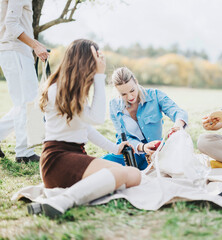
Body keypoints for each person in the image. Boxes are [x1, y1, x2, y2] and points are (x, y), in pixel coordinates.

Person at [27, 39, 141, 218]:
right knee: (119, 173)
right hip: (58, 159)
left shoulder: (73, 90)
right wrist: (99, 77)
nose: (99, 64)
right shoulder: (57, 89)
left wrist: (114, 148)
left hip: (74, 156)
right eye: (97, 59)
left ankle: (72, 195)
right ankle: (63, 200)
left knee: (134, 175)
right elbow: (97, 118)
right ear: (87, 62)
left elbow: (86, 128)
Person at [102, 67, 188, 170]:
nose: (130, 97)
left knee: (176, 163)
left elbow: (178, 112)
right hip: (132, 151)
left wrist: (177, 126)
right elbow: (122, 137)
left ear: (136, 82)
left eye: (132, 90)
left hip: (155, 150)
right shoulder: (114, 105)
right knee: (104, 163)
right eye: (123, 94)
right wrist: (142, 147)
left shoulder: (155, 95)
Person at [0, 0, 50, 162]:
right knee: (26, 103)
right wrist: (35, 45)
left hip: (16, 51)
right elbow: (11, 24)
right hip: (15, 50)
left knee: (25, 102)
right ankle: (23, 153)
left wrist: (34, 46)